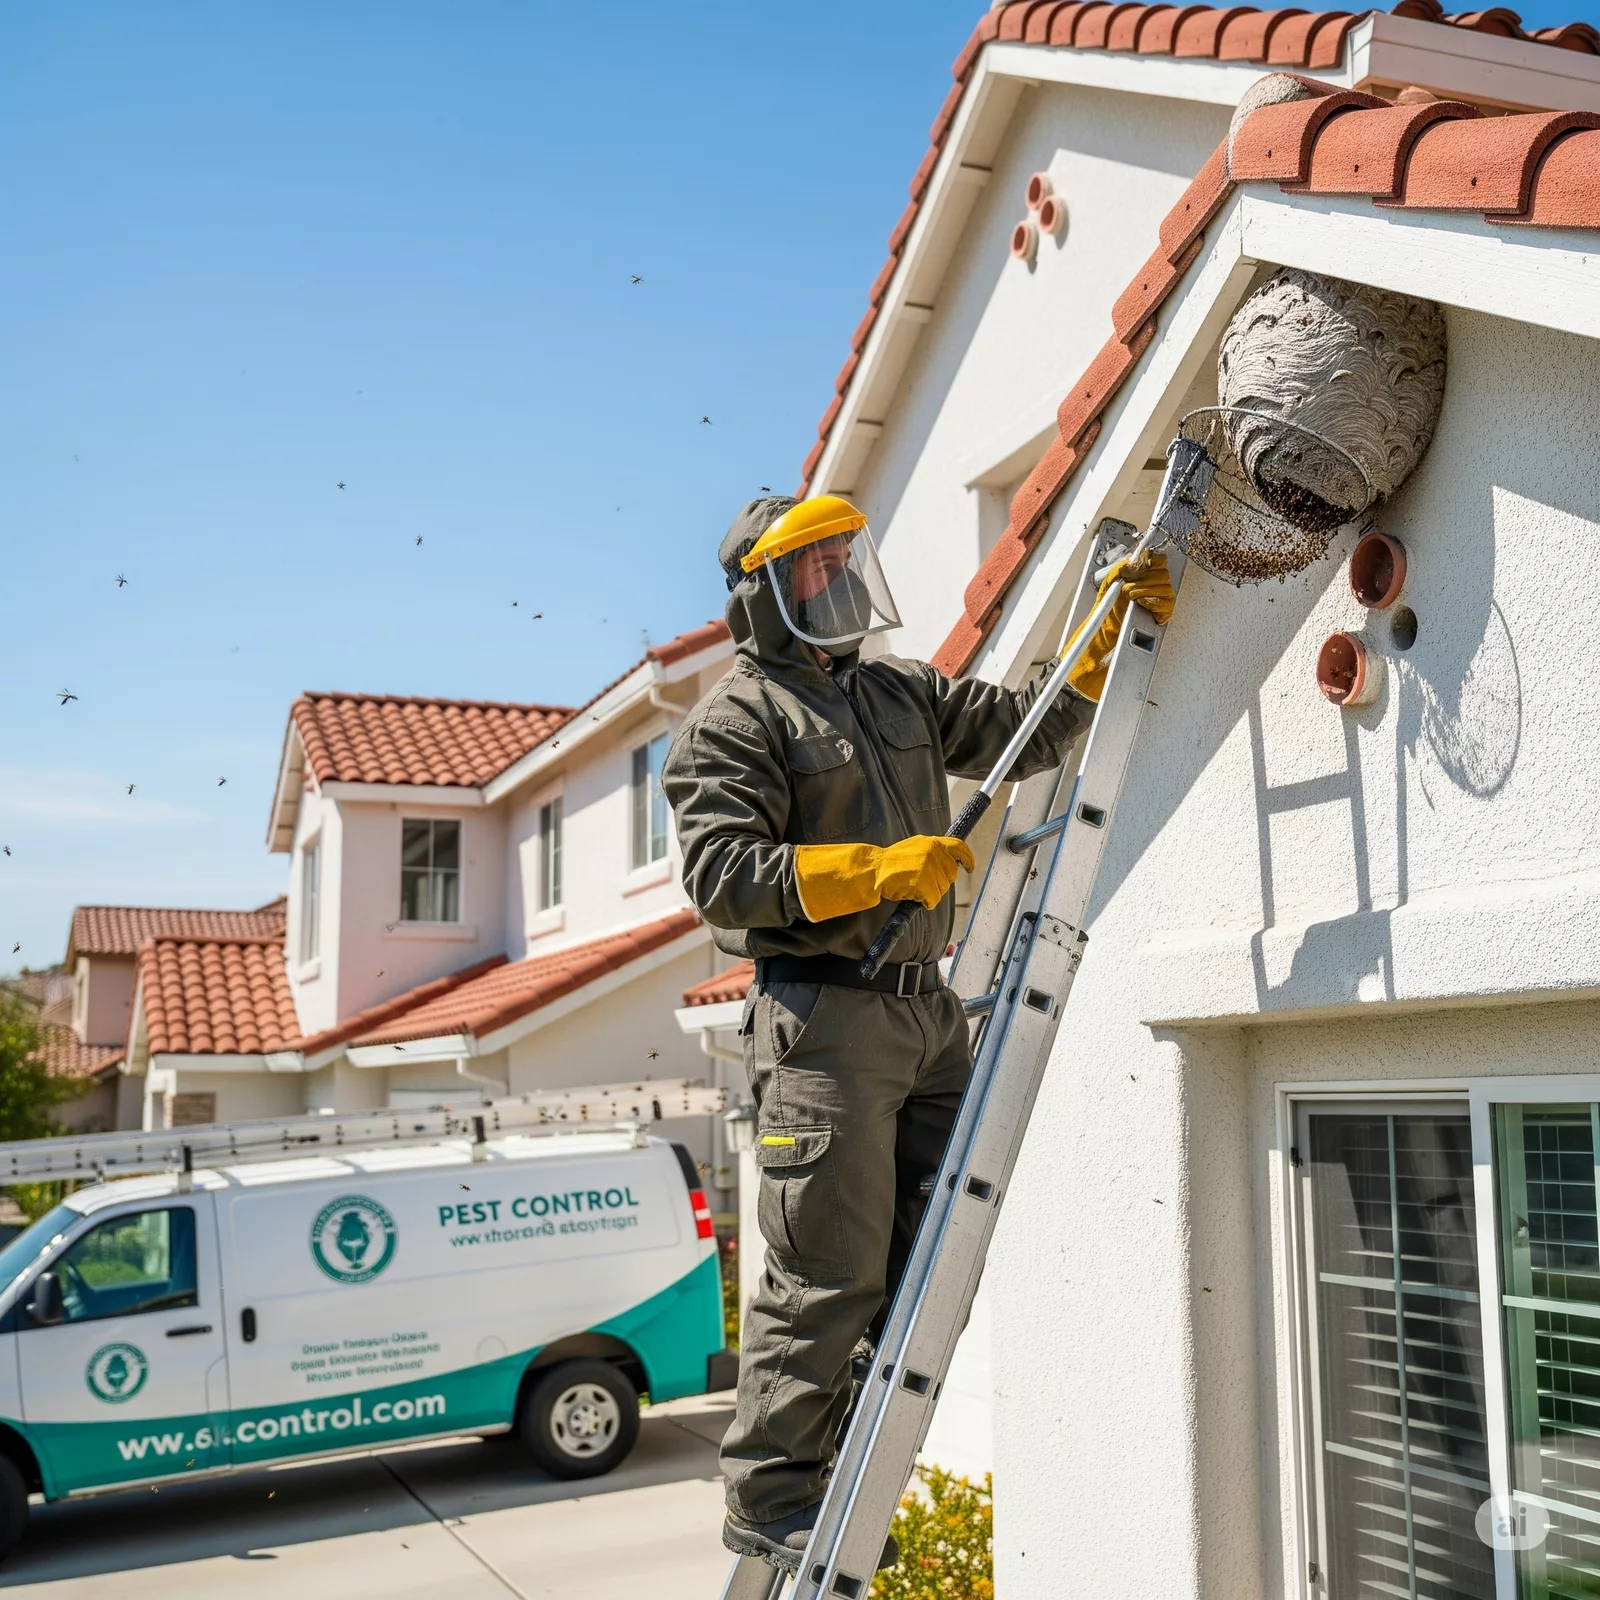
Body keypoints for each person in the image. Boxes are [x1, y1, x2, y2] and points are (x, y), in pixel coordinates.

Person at [663, 493, 1173, 1569]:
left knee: (924, 1258)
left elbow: (1012, 728)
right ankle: (768, 1492)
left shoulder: (898, 690)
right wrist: (872, 871)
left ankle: (844, 1458)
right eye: (817, 562)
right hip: (825, 1018)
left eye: (849, 552)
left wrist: (1098, 653)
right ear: (765, 593)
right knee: (826, 1274)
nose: (843, 573)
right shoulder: (736, 718)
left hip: (925, 1007)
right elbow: (720, 879)